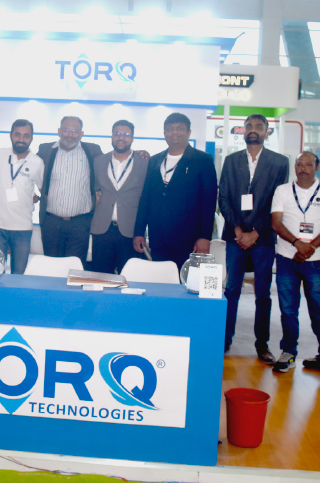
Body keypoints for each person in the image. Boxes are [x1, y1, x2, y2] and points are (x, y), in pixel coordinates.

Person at [219, 113, 289, 364]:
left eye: (259, 126)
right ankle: (224, 340)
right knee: (231, 290)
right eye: (249, 125)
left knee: (262, 293)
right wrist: (238, 230)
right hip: (235, 236)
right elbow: (223, 197)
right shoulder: (231, 160)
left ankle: (262, 345)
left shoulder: (280, 162)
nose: (253, 129)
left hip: (263, 237)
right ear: (243, 130)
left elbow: (276, 201)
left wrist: (256, 232)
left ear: (267, 132)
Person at [133, 112, 217, 271]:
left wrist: (205, 237)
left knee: (186, 281)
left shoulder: (202, 160)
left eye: (180, 128)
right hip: (158, 238)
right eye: (170, 129)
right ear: (164, 133)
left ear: (189, 132)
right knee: (161, 279)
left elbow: (209, 202)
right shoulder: (154, 160)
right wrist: (139, 232)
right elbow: (145, 199)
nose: (174, 132)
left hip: (189, 239)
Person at [271, 151, 320, 372]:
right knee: (288, 310)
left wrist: (310, 248)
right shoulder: (282, 190)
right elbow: (276, 223)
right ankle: (289, 352)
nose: (303, 168)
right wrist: (298, 244)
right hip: (286, 259)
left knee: (317, 308)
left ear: (316, 168)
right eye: (299, 164)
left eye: (309, 164)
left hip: (316, 261)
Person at [38, 116, 102, 266]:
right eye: (66, 130)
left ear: (81, 134)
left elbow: (113, 160)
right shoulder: (45, 150)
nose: (70, 135)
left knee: (75, 268)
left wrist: (139, 153)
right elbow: (28, 166)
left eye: (75, 131)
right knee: (52, 267)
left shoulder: (92, 151)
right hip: (51, 223)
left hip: (80, 224)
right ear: (59, 131)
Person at [91, 120, 148, 274]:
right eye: (117, 133)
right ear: (111, 137)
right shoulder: (98, 161)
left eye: (126, 134)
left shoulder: (145, 162)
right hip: (102, 229)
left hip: (130, 230)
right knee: (100, 276)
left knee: (128, 277)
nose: (121, 137)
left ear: (132, 138)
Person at [0, 119, 44, 274]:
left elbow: (42, 189)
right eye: (17, 134)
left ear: (31, 138)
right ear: (11, 135)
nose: (21, 139)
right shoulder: (0, 154)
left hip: (22, 228)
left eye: (26, 136)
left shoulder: (37, 163)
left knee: (18, 274)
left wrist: (33, 196)